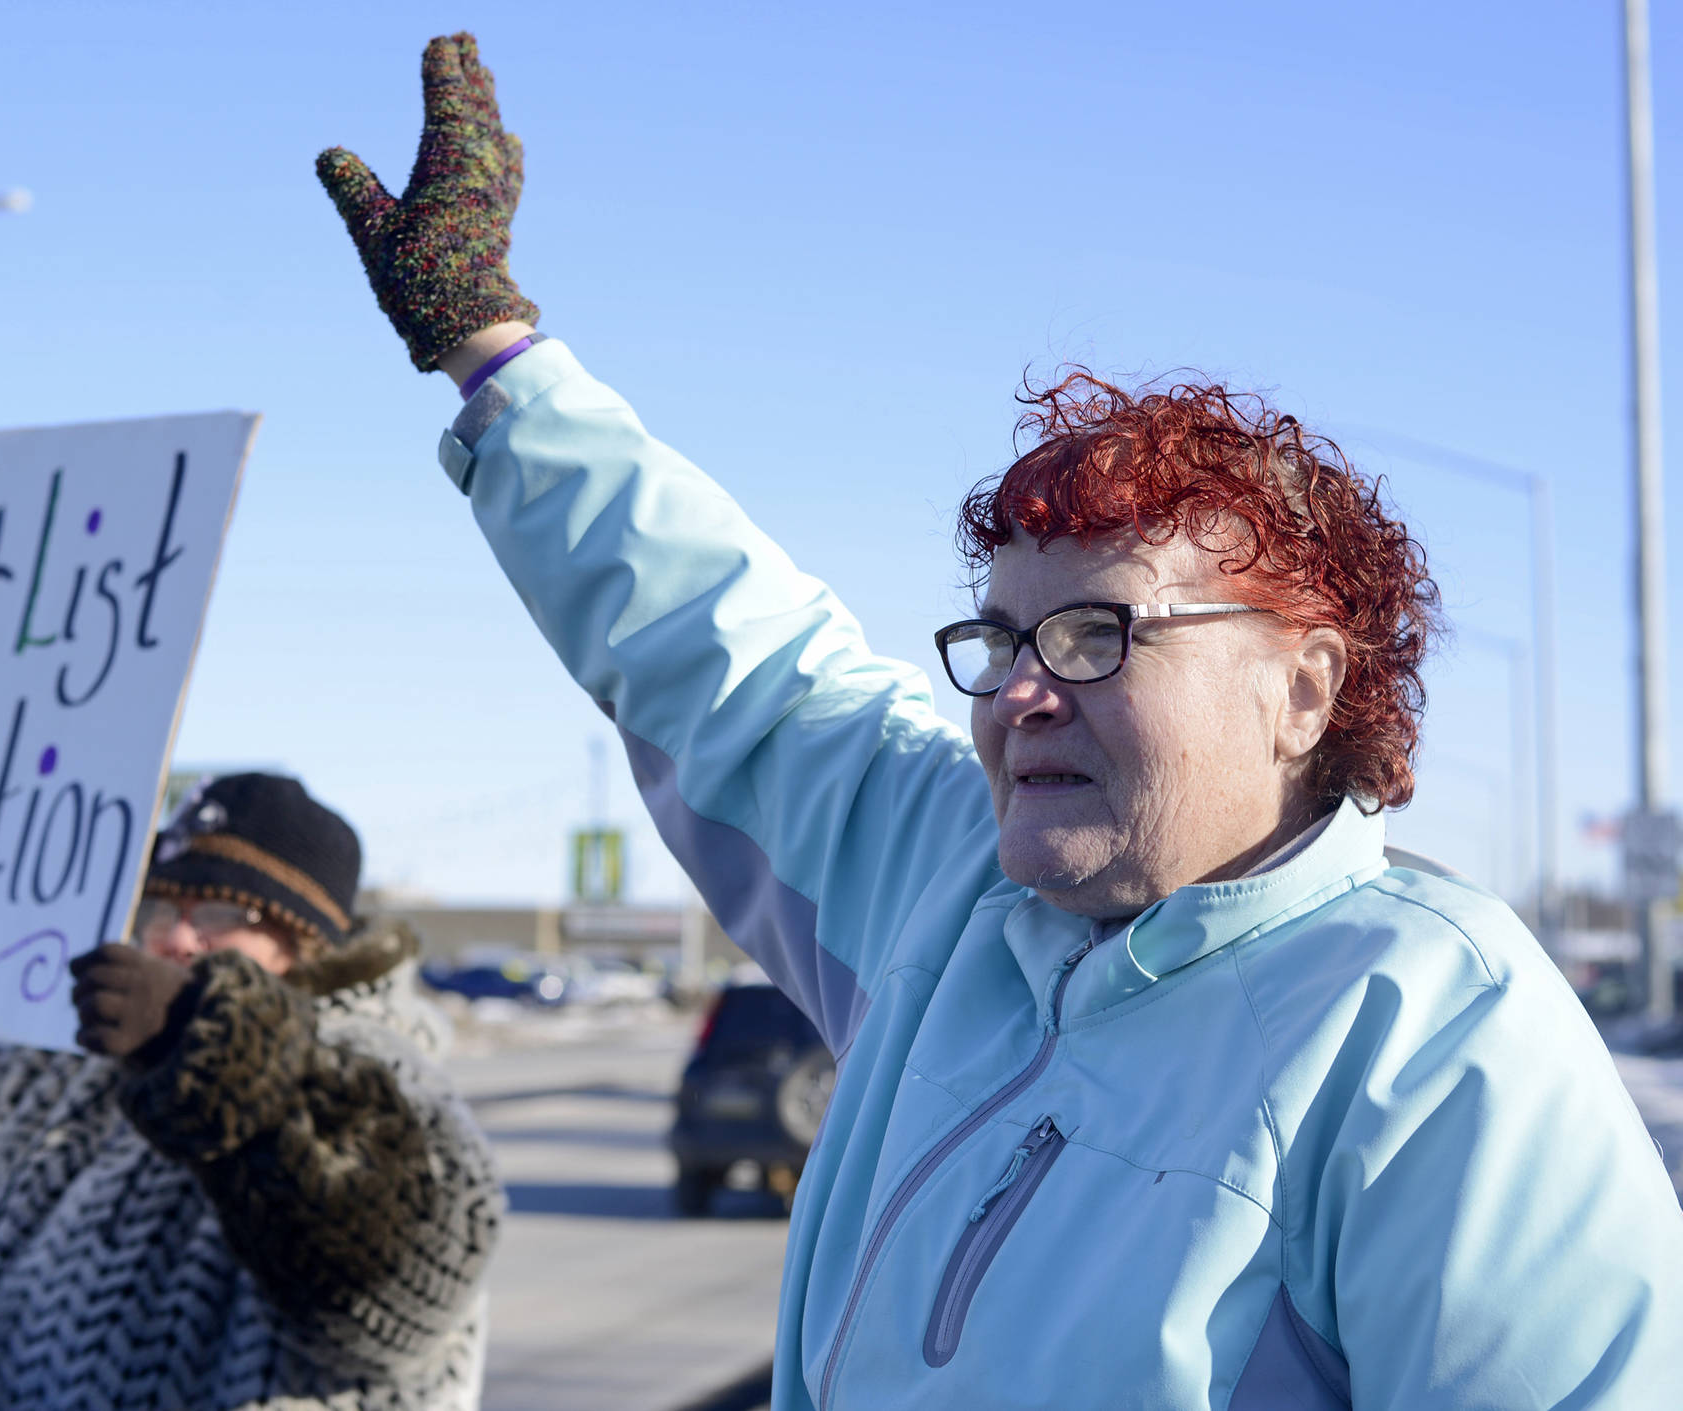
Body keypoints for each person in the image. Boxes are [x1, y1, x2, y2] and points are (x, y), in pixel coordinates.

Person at [314, 33, 1683, 1409]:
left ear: (1305, 689)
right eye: (1006, 637)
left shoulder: (1429, 1028)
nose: (1023, 689)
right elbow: (725, 648)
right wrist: (493, 350)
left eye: (1098, 635)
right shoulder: (951, 895)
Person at [0, 772, 501, 1411]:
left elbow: (408, 1270)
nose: (176, 936)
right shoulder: (82, 1064)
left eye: (228, 913)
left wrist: (220, 1051)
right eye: (163, 905)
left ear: (309, 942)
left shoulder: (378, 1070)